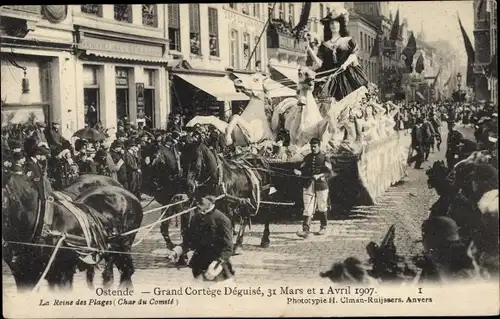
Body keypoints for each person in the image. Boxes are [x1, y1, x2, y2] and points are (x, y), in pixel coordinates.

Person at [171, 195, 234, 282]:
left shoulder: (222, 219)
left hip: (217, 266)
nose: (199, 204)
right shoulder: (196, 218)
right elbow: (190, 241)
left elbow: (228, 247)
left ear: (211, 203)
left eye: (202, 202)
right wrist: (178, 250)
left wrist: (217, 264)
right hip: (199, 264)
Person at [310, 9, 368, 101]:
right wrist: (309, 50)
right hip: (331, 75)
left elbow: (353, 55)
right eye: (331, 23)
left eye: (336, 22)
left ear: (341, 24)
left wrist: (345, 64)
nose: (334, 25)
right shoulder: (324, 45)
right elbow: (320, 63)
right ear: (328, 26)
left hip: (347, 75)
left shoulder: (349, 40)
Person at [294, 137, 333, 238]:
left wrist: (319, 175)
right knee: (308, 207)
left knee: (322, 206)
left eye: (315, 146)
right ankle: (305, 230)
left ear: (319, 146)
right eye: (311, 146)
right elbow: (302, 169)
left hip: (321, 186)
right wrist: (299, 172)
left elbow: (329, 172)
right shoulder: (307, 158)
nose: (313, 148)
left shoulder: (325, 158)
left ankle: (323, 227)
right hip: (308, 184)